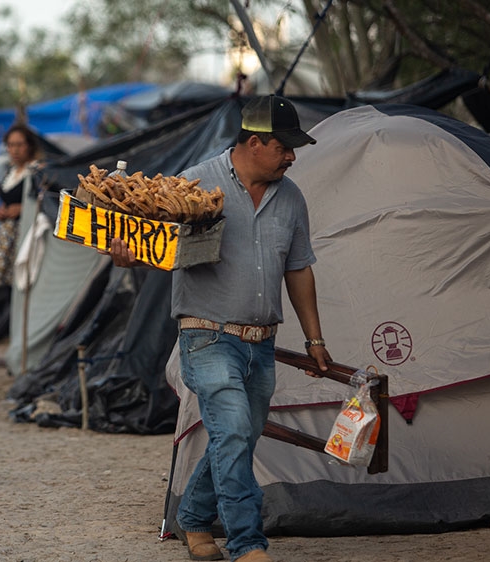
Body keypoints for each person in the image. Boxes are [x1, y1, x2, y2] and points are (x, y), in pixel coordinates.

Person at [108, 95, 332, 562]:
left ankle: (192, 518)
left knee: (239, 436)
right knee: (232, 433)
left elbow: (299, 270)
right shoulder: (192, 184)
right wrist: (127, 251)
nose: (293, 155)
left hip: (262, 344)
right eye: (285, 146)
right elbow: (153, 247)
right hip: (206, 336)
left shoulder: (291, 197)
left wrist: (314, 339)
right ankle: (248, 543)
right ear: (255, 142)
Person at [0, 124, 42, 341]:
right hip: (5, 234)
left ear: (29, 146)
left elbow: (46, 203)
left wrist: (23, 209)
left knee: (19, 280)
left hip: (24, 234)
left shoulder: (37, 171)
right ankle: (4, 324)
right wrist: (2, 212)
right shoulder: (10, 172)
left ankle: (11, 328)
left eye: (19, 145)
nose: (15, 150)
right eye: (11, 145)